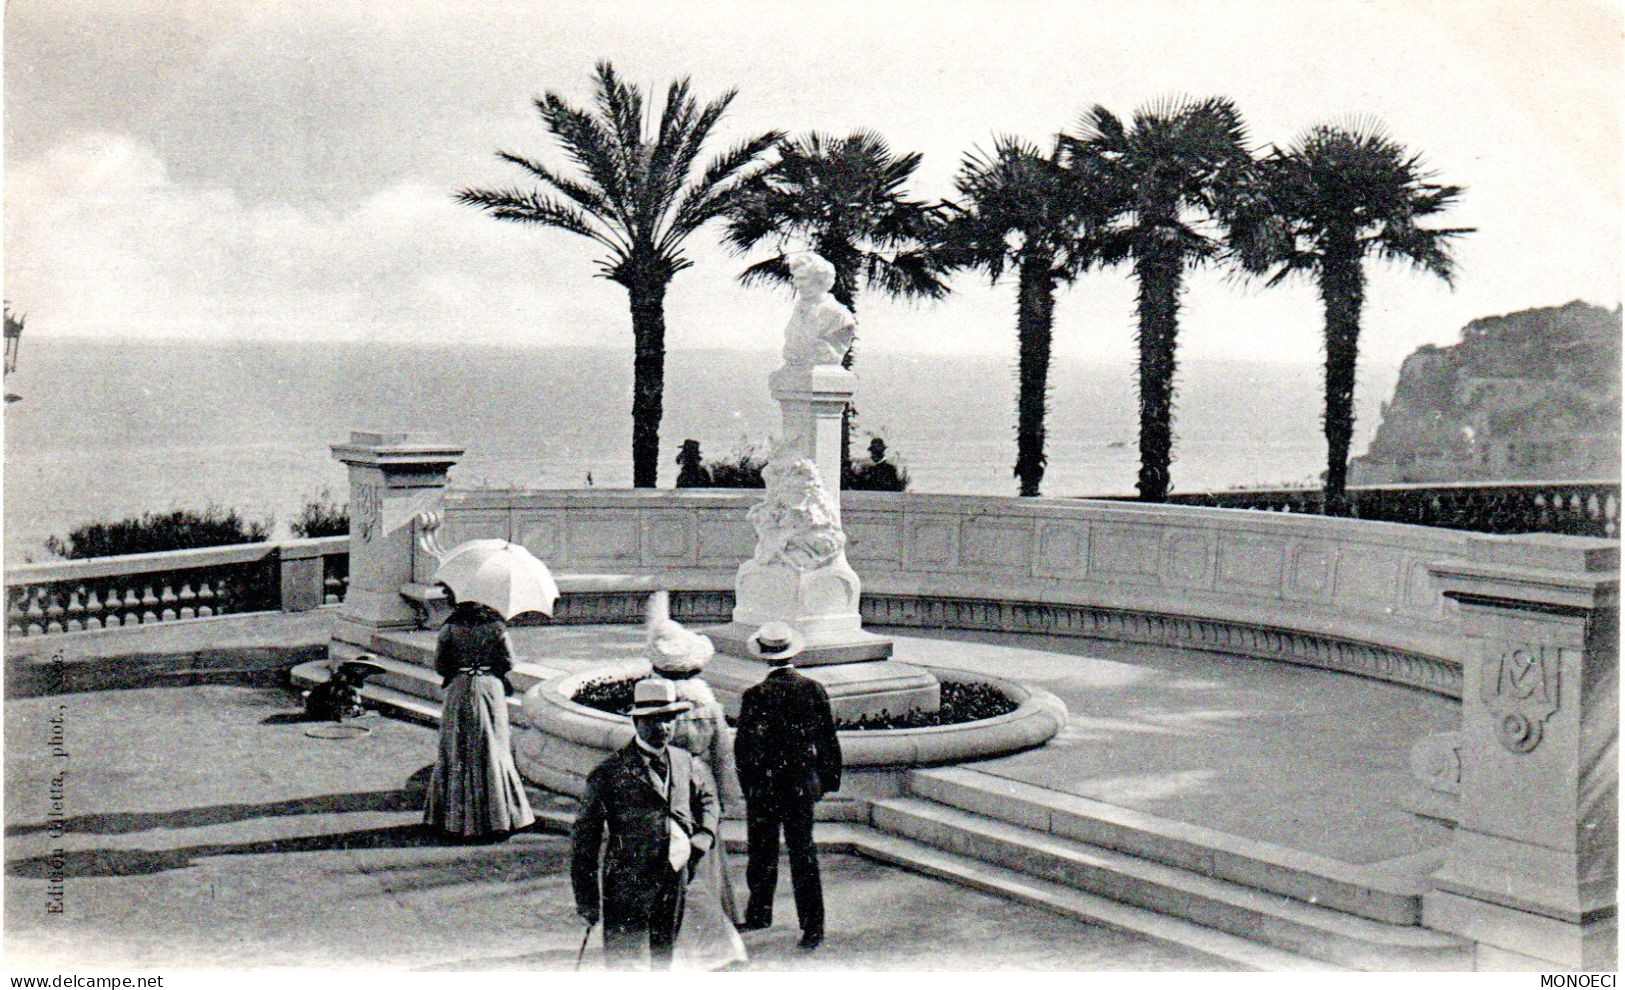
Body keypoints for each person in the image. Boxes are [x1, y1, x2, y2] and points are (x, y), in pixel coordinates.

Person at [572, 678, 721, 971]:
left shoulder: (682, 760)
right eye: (654, 720)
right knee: (626, 965)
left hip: (674, 875)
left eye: (669, 719)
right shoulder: (609, 772)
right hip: (627, 883)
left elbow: (707, 799)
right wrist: (587, 900)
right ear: (637, 722)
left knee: (664, 957)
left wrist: (704, 835)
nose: (664, 728)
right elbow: (584, 840)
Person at [645, 593, 747, 970]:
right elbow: (723, 754)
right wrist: (728, 798)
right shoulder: (707, 701)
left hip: (667, 779)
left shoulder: (656, 702)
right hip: (700, 779)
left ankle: (671, 926)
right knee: (704, 853)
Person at [735, 622, 843, 950]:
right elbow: (828, 741)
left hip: (765, 787)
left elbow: (744, 749)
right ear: (793, 652)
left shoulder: (755, 695)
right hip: (799, 785)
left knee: (762, 851)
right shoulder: (813, 689)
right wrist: (825, 781)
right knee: (803, 853)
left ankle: (759, 913)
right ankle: (812, 926)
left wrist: (749, 786)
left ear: (765, 657)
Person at [423, 595, 535, 841]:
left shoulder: (449, 628)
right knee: (493, 748)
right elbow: (508, 662)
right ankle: (499, 817)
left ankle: (453, 820)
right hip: (489, 689)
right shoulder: (496, 627)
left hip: (459, 689)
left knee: (457, 748)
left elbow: (441, 666)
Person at [780, 253, 856, 369]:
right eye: (795, 278)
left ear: (820, 280)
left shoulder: (839, 315)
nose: (797, 284)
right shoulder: (798, 312)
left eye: (802, 278)